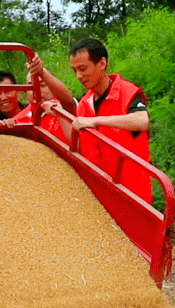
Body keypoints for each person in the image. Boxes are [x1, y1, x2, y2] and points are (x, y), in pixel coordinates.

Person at [42, 38, 152, 202]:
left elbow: (142, 121)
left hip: (132, 193)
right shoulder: (85, 103)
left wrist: (97, 121)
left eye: (83, 68)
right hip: (100, 190)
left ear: (102, 63)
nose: (79, 76)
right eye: (74, 71)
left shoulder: (127, 92)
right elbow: (78, 145)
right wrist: (59, 114)